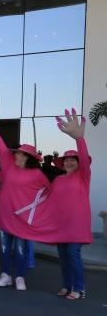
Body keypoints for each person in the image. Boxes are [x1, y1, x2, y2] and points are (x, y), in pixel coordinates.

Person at [0, 106, 54, 291]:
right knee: (6, 248)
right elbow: (0, 146)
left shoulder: (38, 174)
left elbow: (48, 194)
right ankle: (6, 274)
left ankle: (20, 277)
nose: (14, 154)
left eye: (18, 153)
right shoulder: (9, 166)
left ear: (27, 156)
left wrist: (36, 212)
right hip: (5, 215)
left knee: (20, 249)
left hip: (23, 219)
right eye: (15, 152)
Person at [49, 109, 92, 300]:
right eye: (66, 160)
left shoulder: (83, 176)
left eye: (72, 160)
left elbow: (83, 156)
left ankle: (80, 288)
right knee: (63, 256)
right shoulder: (57, 180)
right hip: (61, 223)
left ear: (78, 163)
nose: (68, 162)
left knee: (73, 254)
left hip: (77, 223)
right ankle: (67, 285)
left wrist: (79, 139)